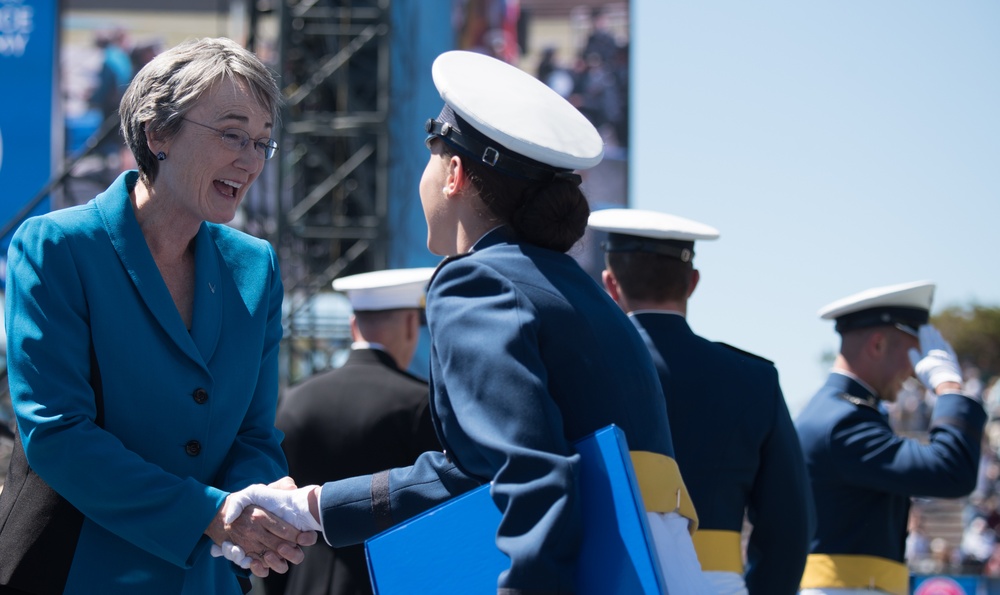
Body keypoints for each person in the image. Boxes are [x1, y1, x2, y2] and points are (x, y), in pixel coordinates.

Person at [219, 50, 713, 593]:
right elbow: (475, 469)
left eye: (431, 156)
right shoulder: (579, 293)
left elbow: (531, 474)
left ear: (454, 173)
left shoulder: (474, 283)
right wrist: (307, 506)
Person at [0, 37, 316, 594]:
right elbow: (55, 434)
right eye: (230, 134)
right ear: (157, 133)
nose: (249, 160)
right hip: (80, 571)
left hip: (208, 577)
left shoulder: (255, 266)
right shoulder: (57, 247)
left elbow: (254, 434)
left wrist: (258, 512)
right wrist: (211, 514)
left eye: (262, 143)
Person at [587, 208, 812, 595]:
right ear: (692, 283)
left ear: (610, 284)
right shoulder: (755, 378)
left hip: (613, 579)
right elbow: (790, 526)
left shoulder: (587, 366)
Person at [796, 280, 986, 595]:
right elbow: (952, 471)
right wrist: (949, 386)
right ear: (878, 345)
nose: (915, 371)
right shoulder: (843, 422)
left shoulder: (841, 412)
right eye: (914, 355)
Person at [268, 267, 441, 595]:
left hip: (303, 581)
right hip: (387, 580)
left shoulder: (296, 400)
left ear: (352, 326)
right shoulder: (420, 403)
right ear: (409, 326)